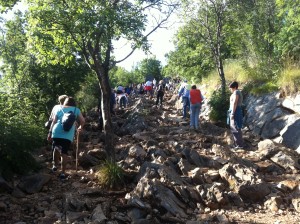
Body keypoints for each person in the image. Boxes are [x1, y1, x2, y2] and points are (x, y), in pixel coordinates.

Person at [47, 97, 85, 180]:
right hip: (68, 134)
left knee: (56, 148)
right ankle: (63, 173)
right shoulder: (76, 110)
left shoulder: (59, 108)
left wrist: (49, 133)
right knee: (64, 153)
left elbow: (54, 121)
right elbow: (82, 120)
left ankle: (54, 166)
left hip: (56, 131)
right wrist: (80, 127)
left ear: (65, 102)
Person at [228, 81, 244, 149]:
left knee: (236, 127)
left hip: (236, 111)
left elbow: (235, 102)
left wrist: (232, 113)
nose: (230, 89)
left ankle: (239, 145)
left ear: (234, 87)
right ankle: (236, 144)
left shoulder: (236, 92)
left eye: (231, 88)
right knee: (234, 127)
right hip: (235, 110)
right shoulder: (236, 92)